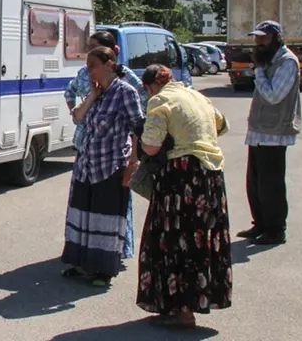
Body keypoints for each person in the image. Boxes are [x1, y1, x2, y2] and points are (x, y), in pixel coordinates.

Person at [135, 64, 232, 329]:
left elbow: (151, 147)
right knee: (201, 238)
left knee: (177, 239)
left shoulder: (160, 100)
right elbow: (222, 126)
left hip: (182, 176)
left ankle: (182, 310)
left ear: (149, 86)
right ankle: (195, 302)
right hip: (211, 175)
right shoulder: (196, 95)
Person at [60, 46, 144, 287]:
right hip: (87, 165)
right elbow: (77, 117)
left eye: (92, 66)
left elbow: (137, 127)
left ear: (109, 64)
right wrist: (92, 96)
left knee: (104, 219)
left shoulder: (125, 92)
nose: (89, 71)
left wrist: (133, 162)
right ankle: (82, 263)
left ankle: (103, 269)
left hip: (111, 165)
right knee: (83, 215)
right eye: (87, 66)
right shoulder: (97, 92)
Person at [237, 20, 300, 245]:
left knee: (271, 184)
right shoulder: (268, 60)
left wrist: (260, 73)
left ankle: (275, 230)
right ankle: (260, 224)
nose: (258, 42)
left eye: (262, 38)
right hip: (259, 131)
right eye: (256, 38)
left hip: (275, 133)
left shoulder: (287, 62)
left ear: (275, 38)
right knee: (255, 183)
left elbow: (274, 96)